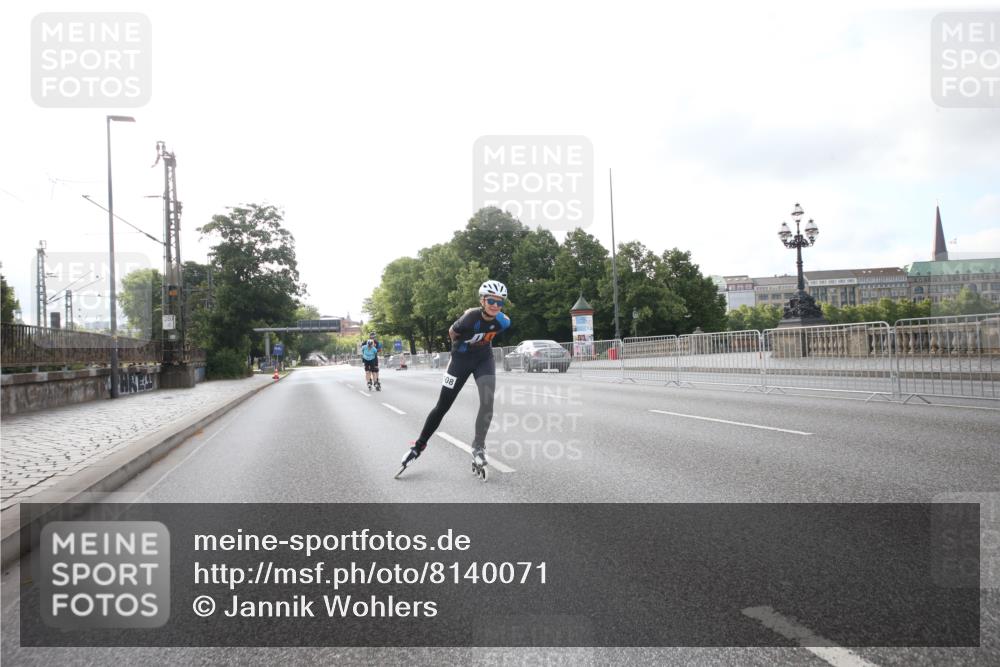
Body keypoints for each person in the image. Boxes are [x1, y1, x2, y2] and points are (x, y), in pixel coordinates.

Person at [397, 280, 511, 480]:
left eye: (500, 302)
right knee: (443, 406)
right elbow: (452, 333)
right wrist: (463, 346)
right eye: (491, 300)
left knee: (487, 401)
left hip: (484, 360)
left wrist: (480, 342)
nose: (495, 305)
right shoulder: (469, 318)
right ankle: (418, 446)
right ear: (482, 300)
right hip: (459, 361)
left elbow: (496, 327)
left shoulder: (504, 321)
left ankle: (478, 447)